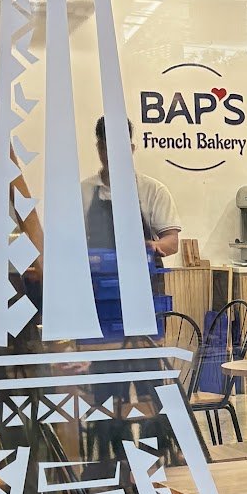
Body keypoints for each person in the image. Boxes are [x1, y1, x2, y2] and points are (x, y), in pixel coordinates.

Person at [82, 114, 180, 341]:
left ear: (131, 148)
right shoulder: (83, 192)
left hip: (143, 293)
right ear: (98, 148)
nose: (112, 154)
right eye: (106, 147)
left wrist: (154, 246)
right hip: (99, 296)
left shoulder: (152, 190)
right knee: (105, 370)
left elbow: (172, 242)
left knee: (148, 369)